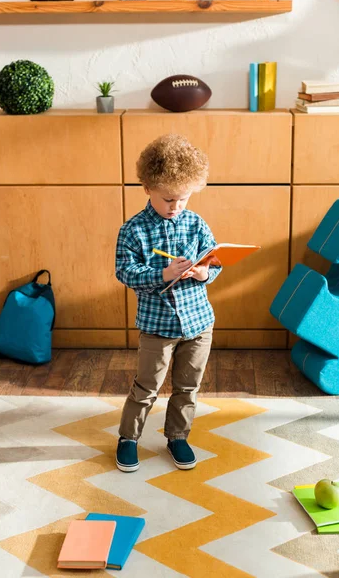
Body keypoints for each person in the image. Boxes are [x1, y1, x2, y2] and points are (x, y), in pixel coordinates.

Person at [115, 133, 222, 472]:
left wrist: (204, 274)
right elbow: (125, 272)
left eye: (184, 198)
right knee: (146, 386)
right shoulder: (133, 230)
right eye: (168, 199)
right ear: (148, 188)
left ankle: (177, 435)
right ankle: (128, 438)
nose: (176, 206)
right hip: (157, 326)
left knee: (188, 386)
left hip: (198, 322)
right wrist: (162, 274)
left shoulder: (196, 223)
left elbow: (214, 261)